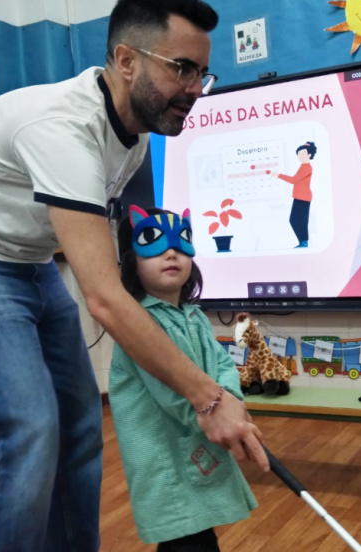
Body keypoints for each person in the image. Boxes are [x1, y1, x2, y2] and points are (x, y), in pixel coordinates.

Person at [0, 1, 268, 550]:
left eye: (201, 72)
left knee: (78, 426)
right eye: (181, 68)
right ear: (126, 60)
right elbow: (104, 298)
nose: (196, 88)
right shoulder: (66, 130)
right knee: (29, 428)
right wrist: (210, 399)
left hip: (26, 256)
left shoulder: (137, 133)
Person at [110, 206, 257, 551]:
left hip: (196, 446)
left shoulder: (194, 316)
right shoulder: (137, 324)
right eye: (154, 244)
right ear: (132, 260)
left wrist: (231, 402)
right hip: (166, 458)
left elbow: (221, 364)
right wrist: (216, 410)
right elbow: (172, 390)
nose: (171, 252)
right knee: (186, 536)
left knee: (199, 533)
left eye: (181, 243)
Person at [272, 142, 317, 247]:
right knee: (293, 220)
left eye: (303, 154)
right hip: (299, 196)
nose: (300, 156)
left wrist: (278, 175)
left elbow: (294, 180)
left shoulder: (307, 167)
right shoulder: (303, 166)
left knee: (301, 221)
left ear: (309, 155)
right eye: (299, 154)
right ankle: (302, 241)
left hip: (304, 197)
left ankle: (304, 242)